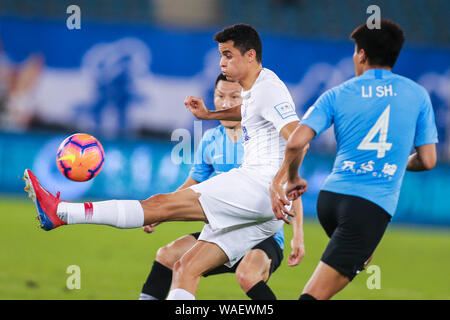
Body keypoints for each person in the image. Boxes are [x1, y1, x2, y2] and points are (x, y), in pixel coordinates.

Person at [23, 24, 306, 300]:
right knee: (184, 267)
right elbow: (250, 110)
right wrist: (208, 116)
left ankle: (62, 213)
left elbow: (298, 138)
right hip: (262, 209)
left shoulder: (269, 88)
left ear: (251, 55)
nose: (222, 62)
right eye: (221, 54)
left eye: (228, 55)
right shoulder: (256, 88)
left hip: (256, 186)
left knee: (159, 205)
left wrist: (282, 180)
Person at [270, 19, 438, 300]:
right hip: (369, 207)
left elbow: (297, 141)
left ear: (361, 54)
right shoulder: (417, 94)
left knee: (358, 258)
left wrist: (294, 176)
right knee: (313, 296)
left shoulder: (337, 93)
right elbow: (428, 160)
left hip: (331, 199)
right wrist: (398, 164)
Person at [139, 74, 304, 300]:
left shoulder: (264, 138)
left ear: (247, 100)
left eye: (234, 96)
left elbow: (292, 186)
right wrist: (158, 212)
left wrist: (298, 235)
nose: (226, 103)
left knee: (248, 274)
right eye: (220, 96)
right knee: (167, 255)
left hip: (263, 234)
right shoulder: (210, 139)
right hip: (223, 230)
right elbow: (193, 182)